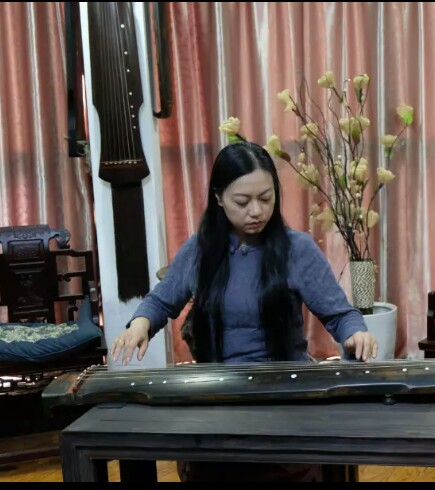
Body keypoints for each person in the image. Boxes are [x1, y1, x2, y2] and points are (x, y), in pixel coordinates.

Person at [110, 140, 378, 482]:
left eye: (266, 199)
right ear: (219, 197)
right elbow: (162, 300)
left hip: (284, 395)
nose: (256, 211)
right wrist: (140, 324)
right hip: (217, 394)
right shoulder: (201, 249)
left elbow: (340, 314)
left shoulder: (297, 248)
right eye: (243, 201)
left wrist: (356, 333)